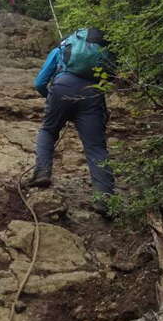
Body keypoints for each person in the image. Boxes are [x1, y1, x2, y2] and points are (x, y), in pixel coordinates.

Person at [29, 28, 117, 217]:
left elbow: (39, 83)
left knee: (48, 131)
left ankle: (42, 173)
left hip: (62, 88)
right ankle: (105, 200)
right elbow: (112, 78)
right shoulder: (102, 51)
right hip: (93, 94)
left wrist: (52, 98)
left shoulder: (62, 48)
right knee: (95, 147)